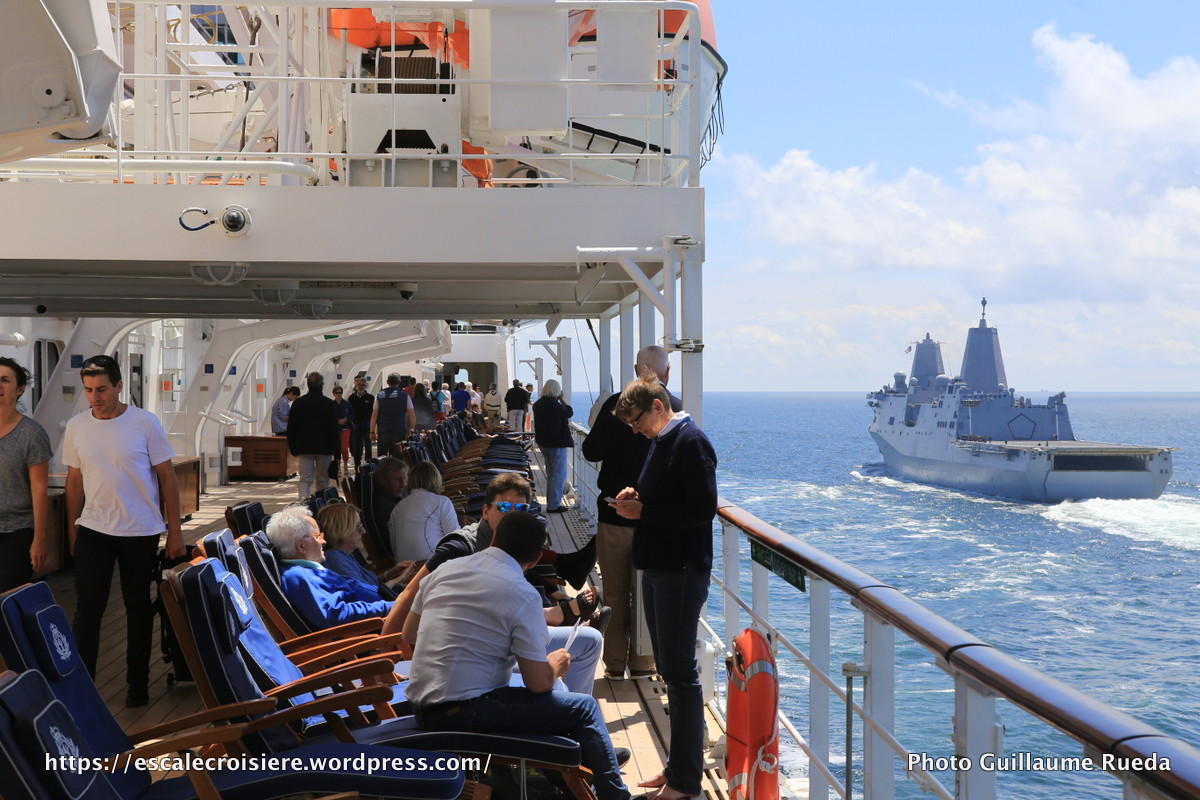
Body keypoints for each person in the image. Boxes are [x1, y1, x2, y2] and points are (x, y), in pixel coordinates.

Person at [403, 510, 633, 800]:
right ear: (536, 559)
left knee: (540, 701)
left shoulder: (444, 571)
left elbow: (408, 635)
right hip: (465, 712)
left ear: (495, 537)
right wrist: (554, 665)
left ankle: (577, 765)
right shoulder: (522, 594)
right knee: (583, 708)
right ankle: (614, 794)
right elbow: (538, 683)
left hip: (421, 704)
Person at [382, 473, 604, 693]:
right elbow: (409, 595)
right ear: (486, 511)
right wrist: (383, 663)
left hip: (491, 643)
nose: (514, 514)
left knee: (588, 640)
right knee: (586, 645)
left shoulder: (507, 547)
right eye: (505, 507)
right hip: (469, 664)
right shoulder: (458, 549)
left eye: (522, 508)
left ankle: (561, 618)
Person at [611, 375, 717, 800]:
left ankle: (686, 782)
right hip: (659, 566)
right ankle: (677, 769)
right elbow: (664, 495)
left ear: (658, 406)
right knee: (670, 672)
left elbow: (701, 508)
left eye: (637, 421)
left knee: (680, 675)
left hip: (681, 568)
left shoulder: (691, 442)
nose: (635, 431)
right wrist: (636, 495)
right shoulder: (661, 439)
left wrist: (645, 510)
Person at [63, 354, 184, 708]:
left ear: (118, 386)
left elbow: (167, 478)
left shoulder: (145, 423)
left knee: (137, 609)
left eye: (101, 389)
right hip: (94, 530)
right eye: (88, 390)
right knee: (87, 610)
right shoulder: (77, 427)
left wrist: (174, 531)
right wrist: (73, 530)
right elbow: (74, 482)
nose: (95, 397)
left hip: (140, 531)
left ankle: (137, 685)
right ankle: (84, 689)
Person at [581, 345, 681, 680]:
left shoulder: (614, 406)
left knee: (615, 591)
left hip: (614, 513)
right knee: (647, 591)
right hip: (656, 519)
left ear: (637, 368)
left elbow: (590, 449)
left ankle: (614, 664)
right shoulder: (676, 409)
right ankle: (643, 663)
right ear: (666, 373)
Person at [266, 504, 392, 629]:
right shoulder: (298, 577)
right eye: (318, 536)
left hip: (384, 611)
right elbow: (337, 615)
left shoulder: (310, 571)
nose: (324, 541)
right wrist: (390, 607)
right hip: (378, 628)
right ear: (301, 546)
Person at [0, 357, 52, 593]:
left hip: (17, 532)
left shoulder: (31, 433)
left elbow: (40, 490)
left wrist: (39, 539)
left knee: (6, 601)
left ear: (20, 389)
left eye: (5, 380)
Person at [317, 503, 400, 600]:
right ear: (342, 530)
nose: (364, 531)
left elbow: (367, 583)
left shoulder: (344, 555)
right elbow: (370, 596)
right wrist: (398, 580)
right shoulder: (335, 561)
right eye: (359, 527)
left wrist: (389, 574)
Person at [389, 461, 458, 562]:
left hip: (403, 570)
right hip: (431, 565)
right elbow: (456, 538)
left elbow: (395, 546)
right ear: (436, 479)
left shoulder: (397, 508)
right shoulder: (441, 502)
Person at [286, 372, 339, 500]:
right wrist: (337, 453)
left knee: (305, 479)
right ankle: (322, 504)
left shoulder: (298, 403)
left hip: (305, 447)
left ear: (308, 385)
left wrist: (292, 447)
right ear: (321, 385)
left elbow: (291, 427)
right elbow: (334, 429)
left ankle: (304, 504)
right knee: (322, 479)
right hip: (325, 448)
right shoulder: (328, 403)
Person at [533, 379, 573, 513]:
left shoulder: (538, 404)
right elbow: (568, 412)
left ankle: (552, 502)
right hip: (556, 443)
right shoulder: (554, 404)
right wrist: (562, 399)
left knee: (551, 474)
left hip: (544, 443)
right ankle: (553, 505)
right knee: (558, 475)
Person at [371, 373, 415, 460]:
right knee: (397, 457)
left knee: (382, 457)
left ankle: (383, 472)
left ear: (387, 382)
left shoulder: (380, 395)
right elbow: (412, 415)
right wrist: (411, 430)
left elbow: (374, 414)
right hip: (399, 430)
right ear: (399, 382)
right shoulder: (405, 396)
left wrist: (372, 431)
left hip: (384, 430)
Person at [347, 376, 375, 471]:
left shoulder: (370, 398)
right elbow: (349, 412)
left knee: (368, 445)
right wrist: (352, 422)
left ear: (365, 386)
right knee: (356, 446)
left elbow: (373, 412)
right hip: (356, 426)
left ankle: (369, 463)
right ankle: (357, 465)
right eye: (359, 385)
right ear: (356, 385)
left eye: (363, 385)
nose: (361, 387)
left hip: (367, 425)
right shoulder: (351, 398)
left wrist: (373, 426)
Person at [331, 384, 355, 475]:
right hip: (336, 429)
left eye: (340, 392)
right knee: (337, 448)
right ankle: (337, 466)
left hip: (345, 428)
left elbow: (352, 415)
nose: (339, 394)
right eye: (337, 392)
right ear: (333, 394)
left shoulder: (347, 403)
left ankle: (345, 465)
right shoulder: (331, 404)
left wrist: (346, 419)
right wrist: (336, 421)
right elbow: (329, 417)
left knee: (344, 448)